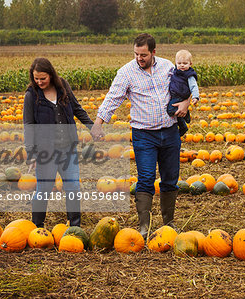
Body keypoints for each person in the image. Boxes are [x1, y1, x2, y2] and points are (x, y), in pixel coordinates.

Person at [91, 33, 190, 239]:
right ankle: (144, 227)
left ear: (153, 52)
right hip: (144, 134)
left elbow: (187, 84)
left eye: (143, 54)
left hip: (170, 131)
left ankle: (168, 224)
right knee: (145, 179)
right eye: (136, 54)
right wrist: (99, 123)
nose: (139, 58)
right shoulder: (126, 72)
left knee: (170, 178)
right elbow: (113, 98)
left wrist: (187, 102)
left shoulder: (168, 67)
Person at [23, 57, 93, 228]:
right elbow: (29, 125)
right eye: (36, 78)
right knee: (44, 190)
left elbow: (76, 108)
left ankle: (75, 227)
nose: (39, 82)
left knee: (73, 188)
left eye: (43, 78)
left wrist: (92, 127)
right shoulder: (31, 95)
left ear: (51, 75)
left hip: (68, 148)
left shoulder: (62, 86)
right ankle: (37, 228)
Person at [168, 49, 199, 136]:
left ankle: (183, 123)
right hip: (174, 96)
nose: (182, 65)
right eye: (179, 63)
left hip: (181, 96)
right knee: (175, 111)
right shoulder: (175, 71)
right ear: (176, 63)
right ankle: (184, 118)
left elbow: (194, 86)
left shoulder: (189, 75)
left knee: (170, 110)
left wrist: (195, 97)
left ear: (190, 64)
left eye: (185, 63)